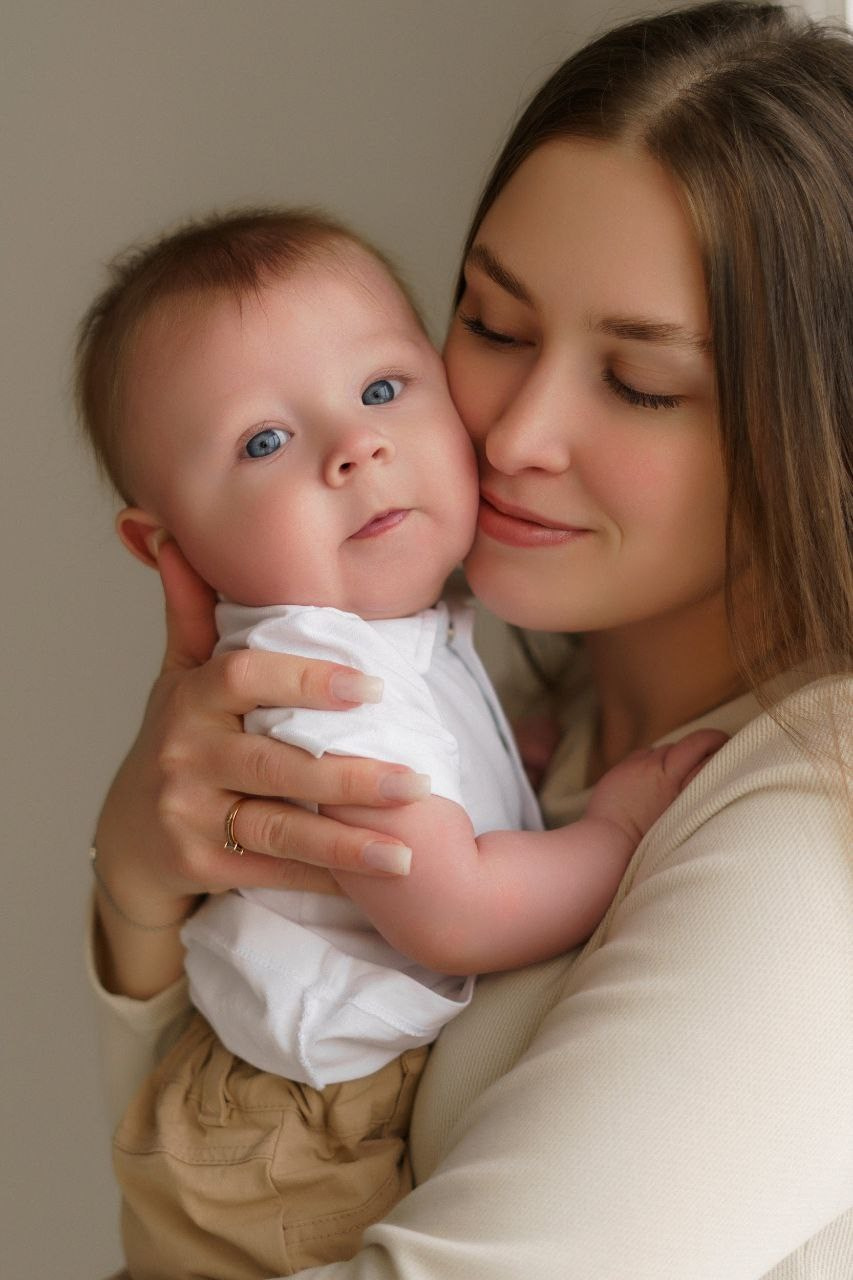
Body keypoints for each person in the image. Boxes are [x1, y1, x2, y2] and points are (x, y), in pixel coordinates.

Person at [85, 3, 851, 1278]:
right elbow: (196, 1188)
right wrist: (140, 878)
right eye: (491, 327)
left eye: (640, 383)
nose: (512, 433)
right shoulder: (510, 718)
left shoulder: (812, 829)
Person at [77, 208, 722, 1278]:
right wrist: (613, 826)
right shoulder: (327, 680)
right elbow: (454, 904)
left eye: (381, 389)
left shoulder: (397, 644)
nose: (356, 446)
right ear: (167, 542)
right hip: (299, 1132)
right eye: (265, 441)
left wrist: (504, 758)